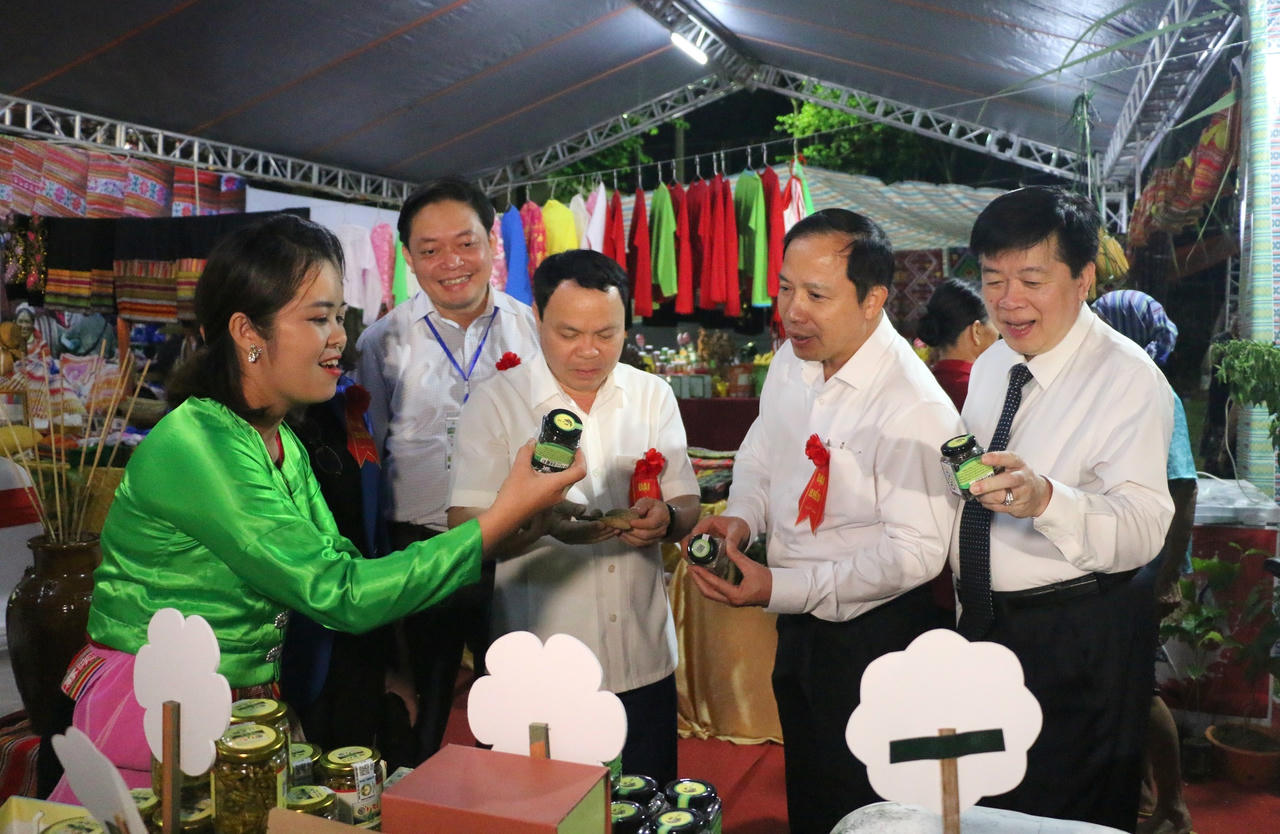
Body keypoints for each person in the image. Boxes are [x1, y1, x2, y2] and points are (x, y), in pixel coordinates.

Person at [49, 214, 583, 797]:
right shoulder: (197, 444)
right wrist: (501, 516)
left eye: (338, 317)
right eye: (318, 318)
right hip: (158, 713)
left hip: (239, 711)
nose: (339, 338)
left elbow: (346, 572)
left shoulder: (277, 441)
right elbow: (339, 593)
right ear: (247, 332)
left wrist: (515, 521)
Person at [685, 209, 962, 834]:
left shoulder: (912, 405)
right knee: (809, 786)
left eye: (816, 295)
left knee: (868, 806)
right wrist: (741, 516)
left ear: (872, 300)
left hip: (876, 636)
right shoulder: (793, 361)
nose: (793, 311)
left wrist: (781, 587)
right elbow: (763, 449)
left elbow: (916, 552)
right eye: (786, 288)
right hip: (800, 623)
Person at [954, 186, 1173, 831]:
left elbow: (1144, 526)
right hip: (986, 625)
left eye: (1031, 280)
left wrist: (1047, 498)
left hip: (1076, 636)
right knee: (991, 807)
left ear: (1083, 279)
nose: (1008, 300)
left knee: (1068, 812)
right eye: (993, 280)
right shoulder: (994, 363)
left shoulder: (1128, 379)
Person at [448, 249, 700, 785]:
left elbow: (687, 502)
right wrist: (539, 521)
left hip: (642, 657)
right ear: (537, 318)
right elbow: (464, 530)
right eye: (569, 334)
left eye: (607, 334)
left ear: (626, 324)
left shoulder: (652, 396)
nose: (589, 351)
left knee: (645, 805)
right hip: (538, 666)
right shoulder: (496, 403)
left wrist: (666, 520)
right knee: (545, 808)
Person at [356, 176, 540, 764]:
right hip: (420, 550)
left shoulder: (531, 330)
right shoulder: (381, 342)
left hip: (512, 547)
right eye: (430, 250)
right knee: (416, 715)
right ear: (408, 259)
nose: (451, 263)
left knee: (515, 710)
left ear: (492, 243)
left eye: (465, 243)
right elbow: (369, 452)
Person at [1095, 288, 1196, 834]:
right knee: (1121, 682)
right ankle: (1140, 794)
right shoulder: (1116, 385)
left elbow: (1184, 488)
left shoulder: (1154, 388)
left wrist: (1166, 576)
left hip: (1146, 568)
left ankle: (1173, 806)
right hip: (1122, 564)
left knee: (1140, 687)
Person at [916, 277, 1000, 410]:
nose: (1000, 332)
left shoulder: (922, 386)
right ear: (976, 330)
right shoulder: (980, 395)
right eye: (995, 321)